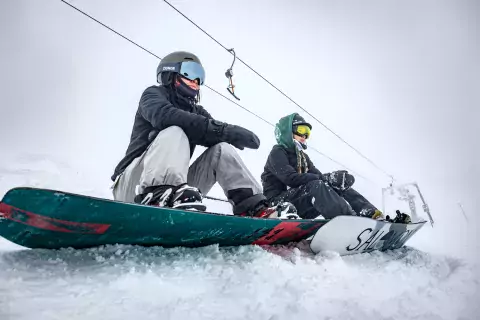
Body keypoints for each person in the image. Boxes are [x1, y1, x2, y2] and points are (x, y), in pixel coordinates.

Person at [110, 51, 298, 219]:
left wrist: (229, 134)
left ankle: (254, 207)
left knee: (221, 150)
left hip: (176, 188)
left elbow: (211, 131)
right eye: (190, 73)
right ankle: (158, 195)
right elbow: (163, 116)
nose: (196, 81)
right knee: (175, 129)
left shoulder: (196, 110)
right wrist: (222, 130)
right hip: (132, 185)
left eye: (200, 77)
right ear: (170, 73)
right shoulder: (153, 95)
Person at [260, 112, 386, 220]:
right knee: (317, 185)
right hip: (277, 205)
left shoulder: (303, 157)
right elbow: (291, 179)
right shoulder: (277, 153)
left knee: (337, 185)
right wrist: (325, 179)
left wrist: (333, 179)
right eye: (301, 130)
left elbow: (319, 176)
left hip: (299, 202)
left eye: (307, 133)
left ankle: (370, 214)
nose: (304, 136)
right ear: (287, 132)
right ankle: (348, 219)